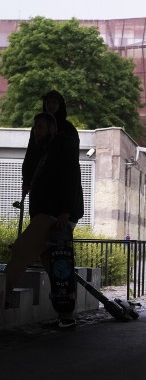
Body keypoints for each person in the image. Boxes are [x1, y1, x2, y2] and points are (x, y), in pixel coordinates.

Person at [5, 91, 85, 331]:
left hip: (52, 216)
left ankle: (3, 295)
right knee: (55, 264)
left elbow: (70, 178)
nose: (36, 131)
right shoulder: (48, 149)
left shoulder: (62, 144)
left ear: (53, 127)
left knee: (21, 252)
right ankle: (66, 315)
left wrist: (65, 211)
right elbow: (32, 161)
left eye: (40, 127)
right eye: (35, 127)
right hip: (52, 214)